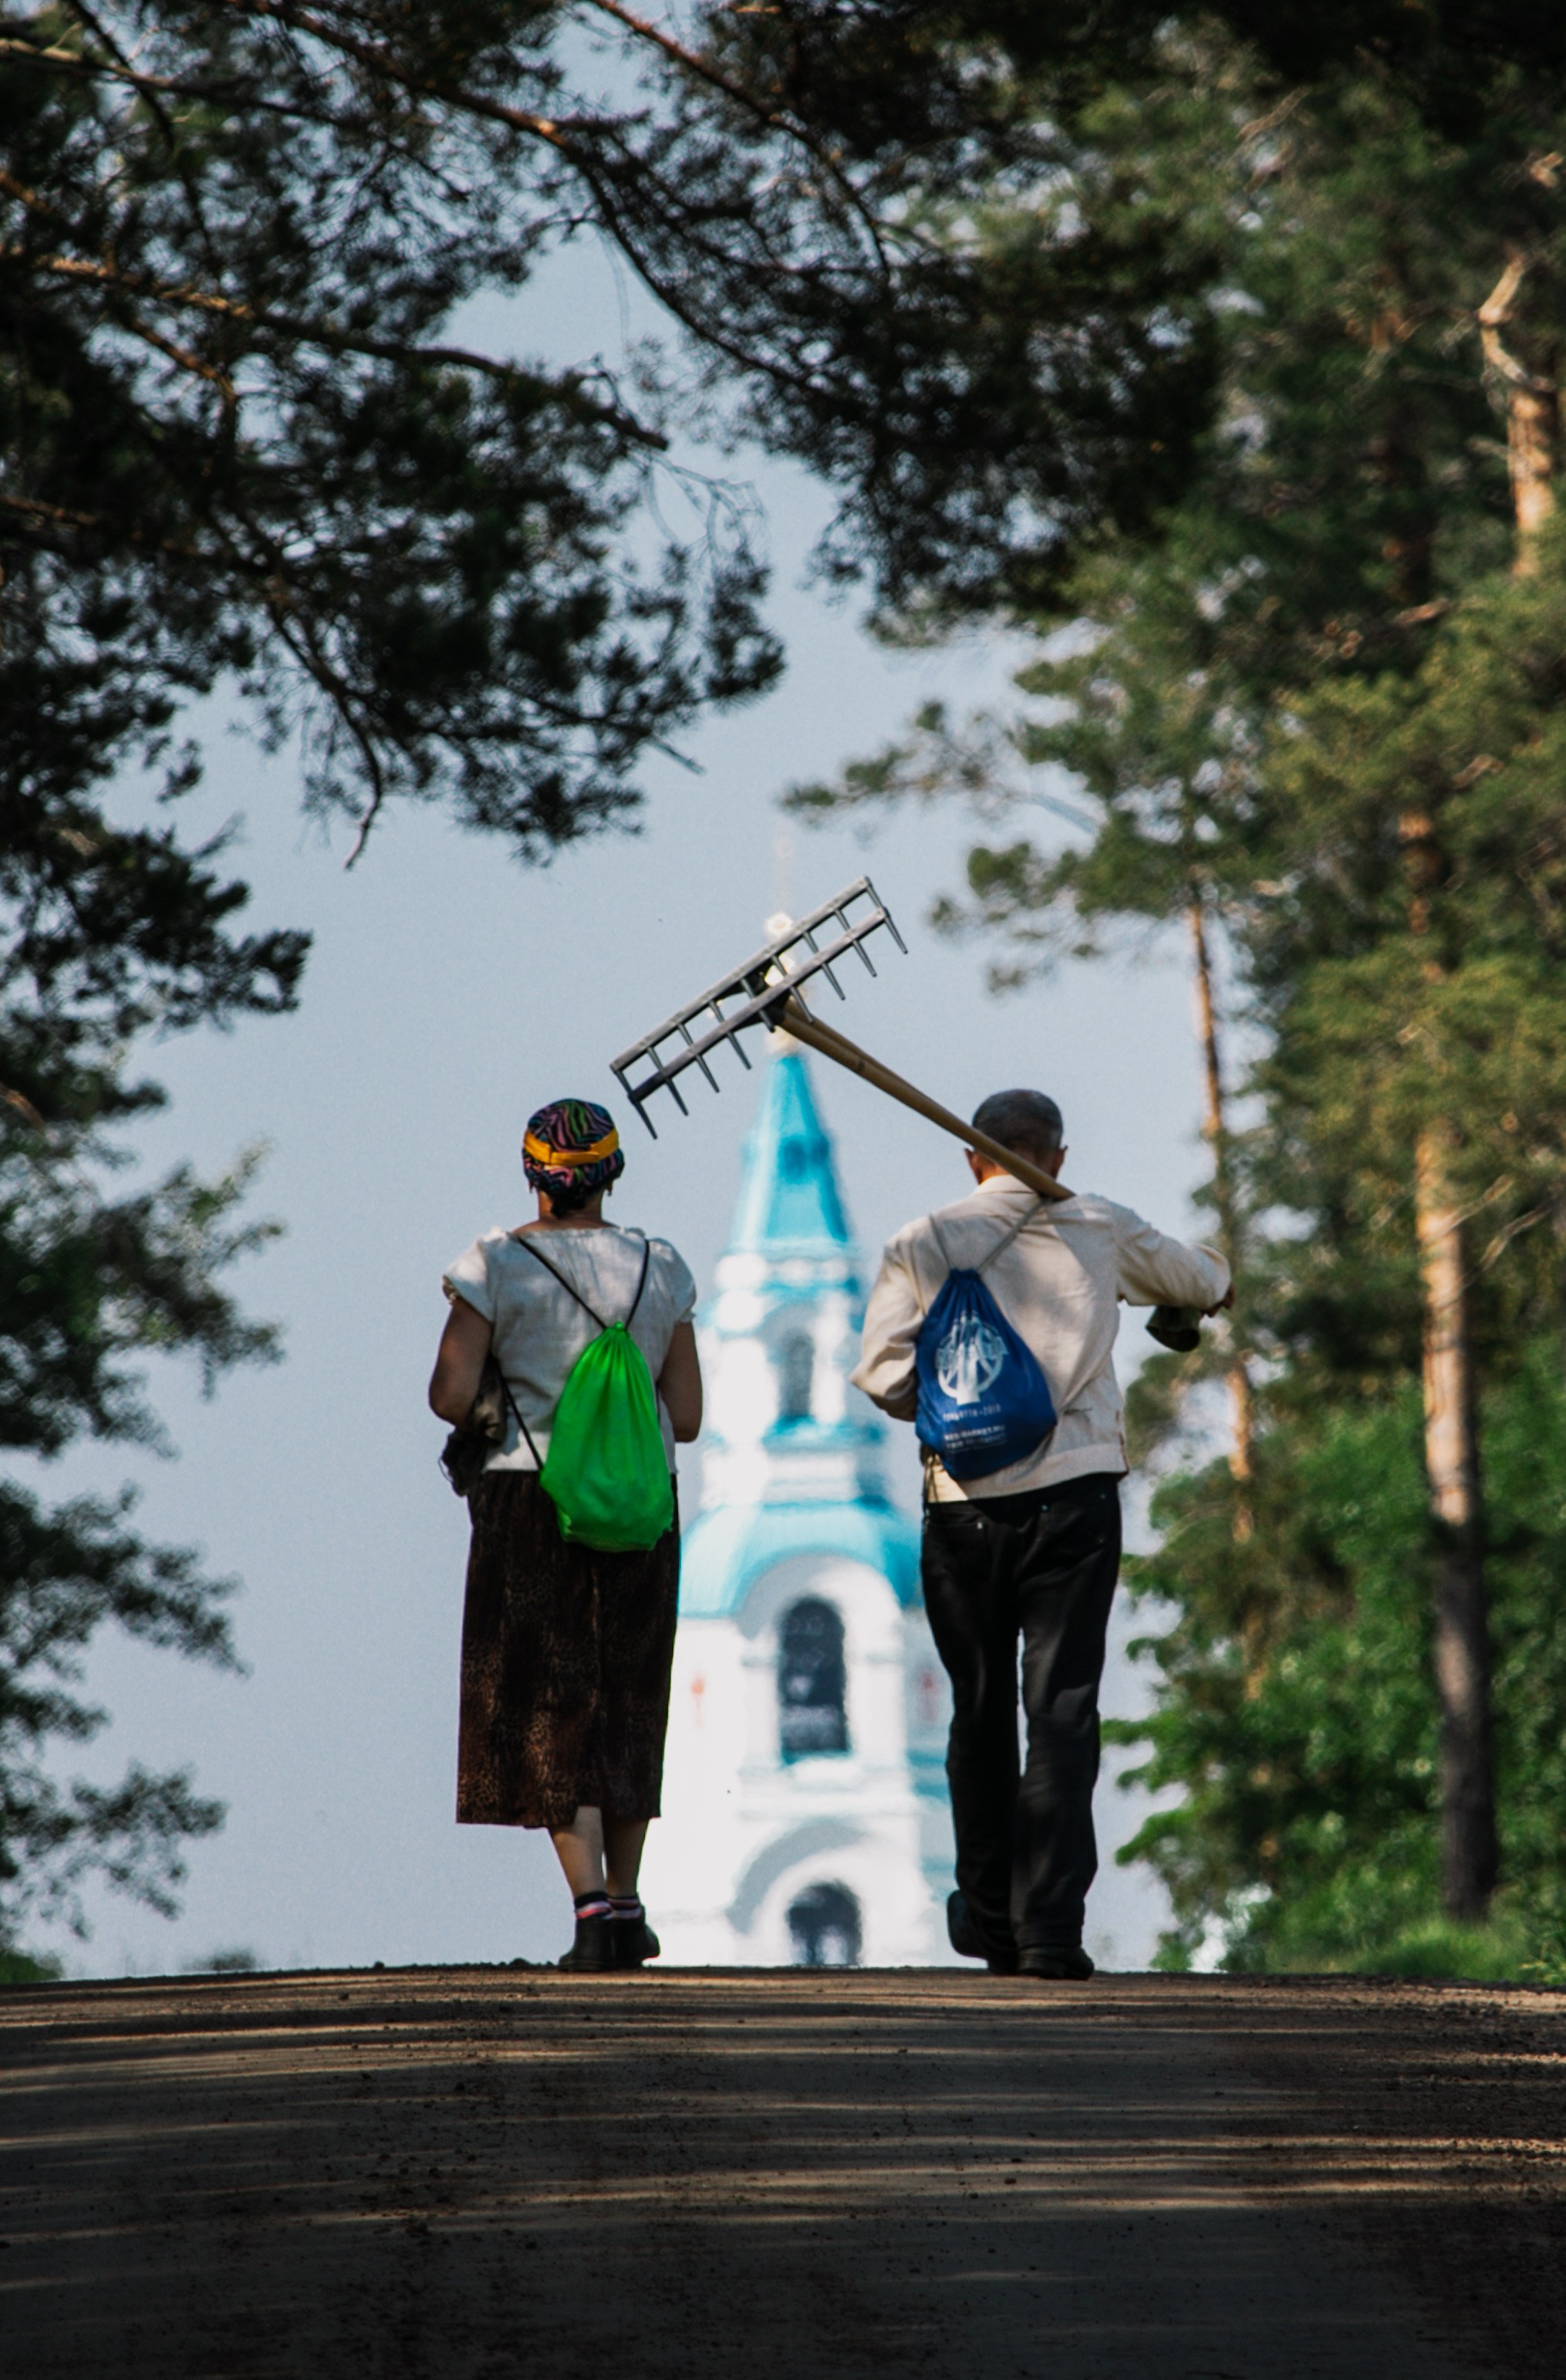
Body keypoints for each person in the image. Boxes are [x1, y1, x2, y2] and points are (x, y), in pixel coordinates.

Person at [852, 1089, 1231, 1980]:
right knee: (1060, 1712)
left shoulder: (923, 1240)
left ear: (970, 1156)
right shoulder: (1095, 1225)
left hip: (961, 1506)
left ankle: (988, 1918)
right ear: (1055, 1158)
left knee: (978, 1710)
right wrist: (1211, 1276)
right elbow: (1199, 1282)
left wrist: (956, 1408)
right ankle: (1050, 1931)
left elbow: (880, 1374)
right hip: (1074, 1499)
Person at [428, 1097, 702, 1971]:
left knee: (550, 1699)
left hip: (529, 1499)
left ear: (532, 1177)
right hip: (641, 1505)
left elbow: (448, 1393)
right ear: (611, 1174)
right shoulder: (661, 1267)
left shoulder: (495, 1265)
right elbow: (686, 1414)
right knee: (628, 1694)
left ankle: (589, 1913)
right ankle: (627, 1901)